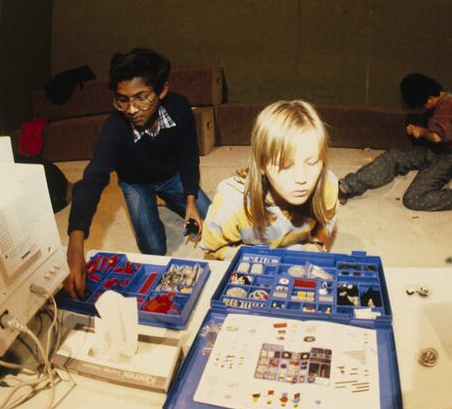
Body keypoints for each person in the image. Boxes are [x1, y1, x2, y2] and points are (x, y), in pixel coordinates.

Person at [64, 48, 211, 298]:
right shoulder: (115, 128)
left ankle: (172, 203)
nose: (131, 109)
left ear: (162, 90)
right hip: (136, 183)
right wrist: (75, 243)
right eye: (123, 100)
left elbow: (188, 155)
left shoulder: (179, 108)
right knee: (153, 249)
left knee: (212, 219)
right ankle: (155, 208)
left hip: (172, 175)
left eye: (141, 97)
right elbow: (93, 179)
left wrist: (190, 200)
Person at [199, 100, 339, 260]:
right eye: (286, 165)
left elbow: (327, 219)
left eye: (312, 162)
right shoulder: (231, 204)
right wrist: (251, 260)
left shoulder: (327, 185)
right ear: (261, 164)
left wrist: (318, 244)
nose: (302, 178)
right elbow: (212, 249)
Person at [338, 73, 452, 211]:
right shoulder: (440, 103)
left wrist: (421, 131)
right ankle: (348, 187)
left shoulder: (449, 104)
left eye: (422, 106)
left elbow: (438, 137)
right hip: (431, 150)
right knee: (393, 156)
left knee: (413, 199)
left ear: (430, 98)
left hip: (448, 157)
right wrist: (418, 129)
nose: (423, 110)